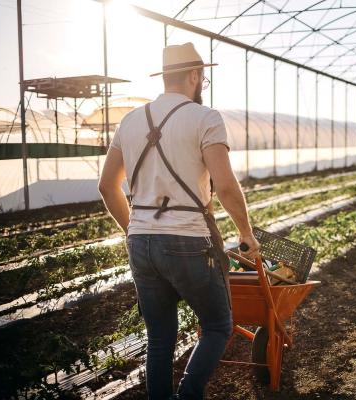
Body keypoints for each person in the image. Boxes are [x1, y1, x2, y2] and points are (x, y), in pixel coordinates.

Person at [98, 42, 261, 400]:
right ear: (194, 75)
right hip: (188, 239)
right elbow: (226, 185)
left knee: (159, 338)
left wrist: (135, 231)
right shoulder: (205, 118)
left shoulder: (130, 120)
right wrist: (246, 233)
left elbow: (107, 186)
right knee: (218, 326)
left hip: (141, 241)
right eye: (202, 76)